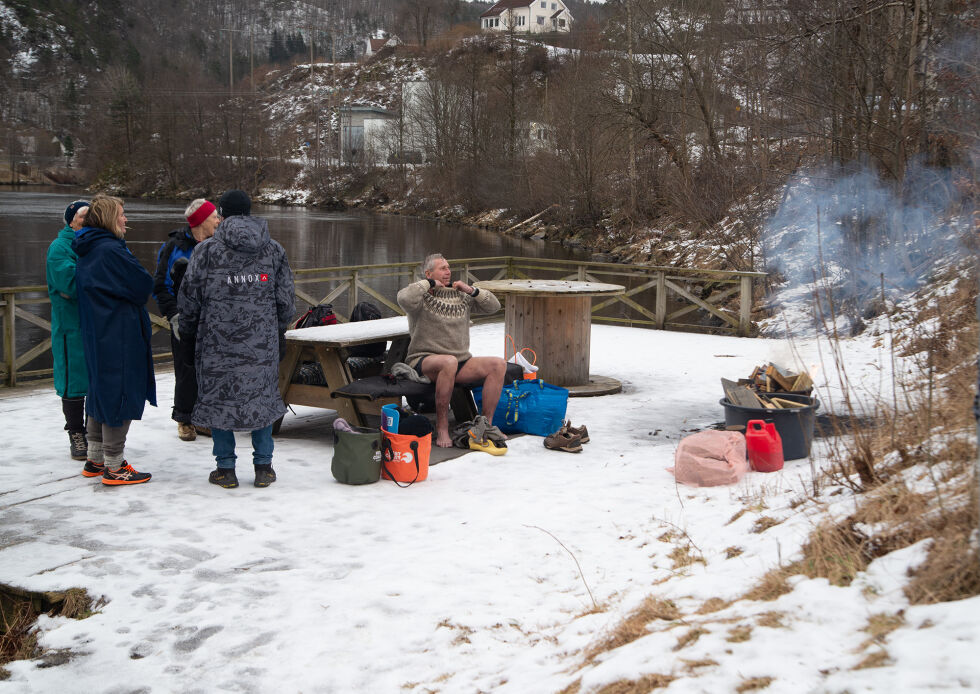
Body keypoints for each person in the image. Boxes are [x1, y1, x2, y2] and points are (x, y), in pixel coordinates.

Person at [177, 189, 295, 489]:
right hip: (262, 342)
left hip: (217, 343)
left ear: (222, 213)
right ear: (250, 211)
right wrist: (277, 331)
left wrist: (189, 330)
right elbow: (286, 302)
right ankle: (264, 467)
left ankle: (225, 470)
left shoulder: (206, 251)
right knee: (261, 397)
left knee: (220, 400)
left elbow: (189, 298)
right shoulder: (273, 250)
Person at [73, 194, 156, 485]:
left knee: (100, 391)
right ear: (109, 217)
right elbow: (142, 284)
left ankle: (95, 459)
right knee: (120, 393)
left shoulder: (89, 247)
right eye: (121, 213)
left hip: (98, 332)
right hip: (118, 333)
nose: (126, 219)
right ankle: (115, 465)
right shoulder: (110, 250)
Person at [396, 253, 507, 448]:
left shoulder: (461, 295)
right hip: (424, 360)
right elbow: (403, 298)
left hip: (460, 361)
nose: (448, 271)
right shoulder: (420, 297)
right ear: (429, 273)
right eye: (442, 268)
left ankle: (486, 425)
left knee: (498, 364)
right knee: (448, 362)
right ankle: (442, 427)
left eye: (448, 267)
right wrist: (428, 284)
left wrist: (472, 290)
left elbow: (494, 306)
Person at [152, 198, 220, 441]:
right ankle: (184, 419)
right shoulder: (173, 248)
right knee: (186, 369)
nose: (218, 220)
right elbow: (160, 286)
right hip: (185, 319)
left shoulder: (218, 245)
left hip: (213, 319)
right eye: (214, 216)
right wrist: (174, 316)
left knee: (212, 369)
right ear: (201, 221)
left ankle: (205, 418)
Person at [46, 200, 90, 461]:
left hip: (94, 324)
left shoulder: (94, 243)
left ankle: (94, 432)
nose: (87, 220)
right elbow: (71, 285)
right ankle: (76, 432)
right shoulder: (59, 247)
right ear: (72, 220)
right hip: (69, 327)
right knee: (73, 382)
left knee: (94, 380)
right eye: (83, 216)